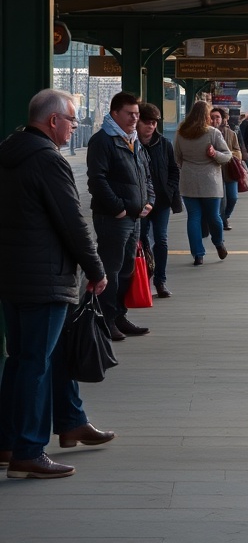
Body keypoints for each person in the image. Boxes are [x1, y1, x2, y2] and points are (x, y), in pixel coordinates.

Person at [0, 88, 115, 479]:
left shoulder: (8, 152)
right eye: (71, 120)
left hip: (15, 275)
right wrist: (97, 270)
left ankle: (55, 425)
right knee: (35, 364)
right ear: (53, 121)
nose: (74, 127)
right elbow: (72, 222)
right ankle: (28, 451)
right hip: (46, 277)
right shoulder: (48, 160)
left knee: (23, 360)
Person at [87, 92, 154, 341]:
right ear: (115, 113)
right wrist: (118, 208)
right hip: (113, 218)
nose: (135, 119)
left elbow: (146, 176)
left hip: (135, 217)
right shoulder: (102, 141)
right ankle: (105, 320)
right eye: (130, 114)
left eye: (137, 114)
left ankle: (119, 316)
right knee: (111, 271)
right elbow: (97, 180)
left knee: (127, 269)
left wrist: (150, 201)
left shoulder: (134, 140)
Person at [174, 101, 231, 265]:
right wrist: (214, 154)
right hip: (211, 182)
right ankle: (219, 243)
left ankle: (198, 254)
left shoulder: (181, 133)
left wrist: (188, 166)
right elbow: (227, 156)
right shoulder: (213, 133)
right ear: (206, 116)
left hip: (188, 182)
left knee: (193, 218)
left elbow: (176, 156)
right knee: (214, 216)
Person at [137, 103, 181, 298]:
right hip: (140, 203)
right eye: (147, 122)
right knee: (142, 239)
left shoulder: (163, 144)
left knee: (161, 240)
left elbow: (174, 169)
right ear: (138, 122)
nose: (151, 126)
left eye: (154, 123)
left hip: (161, 201)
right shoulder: (132, 144)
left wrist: (169, 189)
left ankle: (160, 281)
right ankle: (143, 278)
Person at [210, 107, 241, 231]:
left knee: (232, 197)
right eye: (212, 118)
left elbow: (237, 151)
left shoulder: (231, 134)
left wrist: (226, 155)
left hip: (229, 171)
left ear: (222, 119)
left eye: (217, 117)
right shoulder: (206, 133)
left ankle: (225, 217)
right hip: (213, 172)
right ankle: (222, 221)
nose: (214, 120)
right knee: (220, 200)